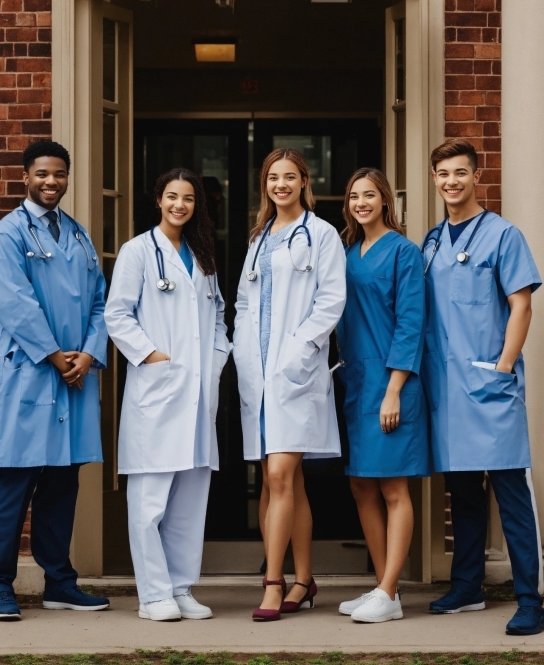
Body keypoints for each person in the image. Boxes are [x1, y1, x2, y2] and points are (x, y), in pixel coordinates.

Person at [0, 139, 110, 621]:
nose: (51, 182)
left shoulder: (77, 234)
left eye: (59, 174)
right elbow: (15, 304)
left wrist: (90, 353)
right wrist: (57, 357)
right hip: (31, 375)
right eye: (42, 174)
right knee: (15, 481)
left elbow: (100, 298)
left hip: (74, 375)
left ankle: (60, 582)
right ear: (26, 176)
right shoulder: (8, 235)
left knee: (62, 482)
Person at [421, 138, 544, 636]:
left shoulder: (503, 235)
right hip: (447, 388)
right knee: (463, 490)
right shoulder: (430, 242)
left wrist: (504, 366)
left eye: (459, 172)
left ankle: (530, 600)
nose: (451, 181)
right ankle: (467, 586)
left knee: (511, 492)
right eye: (442, 173)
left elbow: (521, 304)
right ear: (434, 179)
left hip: (489, 383)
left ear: (477, 176)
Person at [104, 168, 229, 622]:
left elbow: (218, 318)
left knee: (190, 501)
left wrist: (215, 363)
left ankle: (180, 588)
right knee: (150, 502)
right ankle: (153, 594)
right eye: (172, 196)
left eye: (189, 198)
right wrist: (151, 356)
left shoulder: (204, 255)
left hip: (197, 394)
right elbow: (117, 316)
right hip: (157, 392)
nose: (180, 205)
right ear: (158, 199)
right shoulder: (138, 251)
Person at [233, 148, 346, 621]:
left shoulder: (321, 235)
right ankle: (304, 579)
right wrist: (242, 349)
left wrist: (298, 352)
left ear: (305, 181)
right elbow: (242, 301)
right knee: (280, 482)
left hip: (295, 371)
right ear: (266, 184)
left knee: (279, 475)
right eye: (272, 178)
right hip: (257, 373)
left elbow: (331, 300)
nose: (280, 185)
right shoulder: (259, 237)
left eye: (289, 177)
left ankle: (273, 582)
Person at [336, 168, 429, 623]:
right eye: (354, 196)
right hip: (357, 381)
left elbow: (412, 324)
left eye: (369, 195)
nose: (361, 203)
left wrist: (393, 390)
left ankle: (391, 588)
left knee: (393, 486)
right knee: (360, 484)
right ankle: (382, 590)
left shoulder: (404, 253)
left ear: (385, 200)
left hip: (393, 381)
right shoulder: (348, 251)